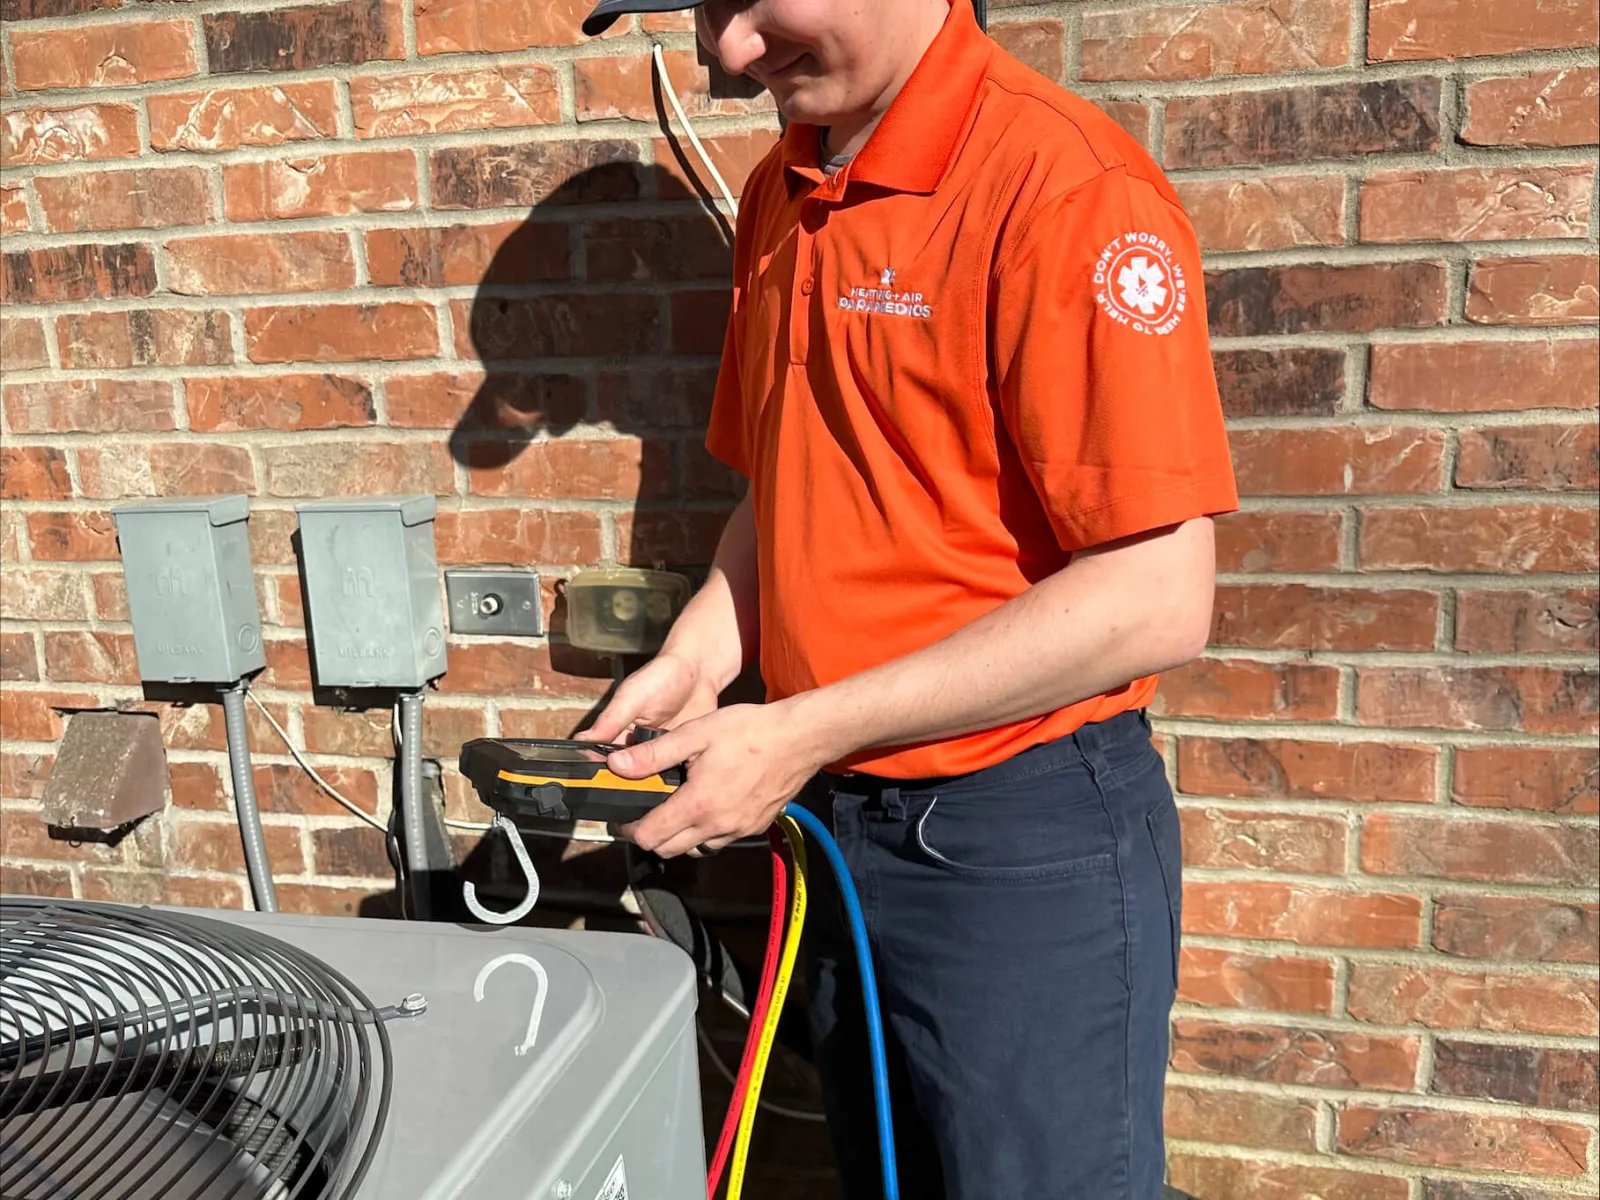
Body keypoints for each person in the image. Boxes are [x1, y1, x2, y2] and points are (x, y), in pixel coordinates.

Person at [575, 1, 1238, 1196]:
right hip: (840, 821)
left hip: (1016, 840)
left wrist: (803, 726)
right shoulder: (786, 187)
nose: (725, 51)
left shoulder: (1064, 188)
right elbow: (782, 489)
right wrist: (696, 658)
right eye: (703, 6)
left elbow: (1156, 595)